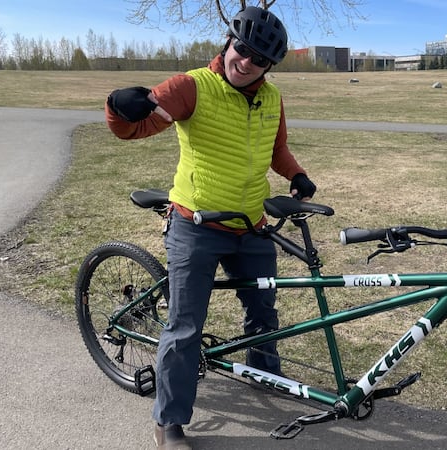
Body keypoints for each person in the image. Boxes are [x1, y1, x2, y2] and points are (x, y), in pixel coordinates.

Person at [104, 7, 316, 449]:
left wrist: (295, 174)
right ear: (228, 42)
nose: (247, 62)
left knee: (264, 311)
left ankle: (264, 375)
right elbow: (134, 128)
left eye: (259, 59)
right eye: (243, 49)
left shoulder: (272, 98)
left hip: (251, 225)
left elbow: (276, 149)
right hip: (196, 223)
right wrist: (118, 108)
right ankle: (169, 422)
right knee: (185, 325)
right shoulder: (191, 86)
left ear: (269, 66)